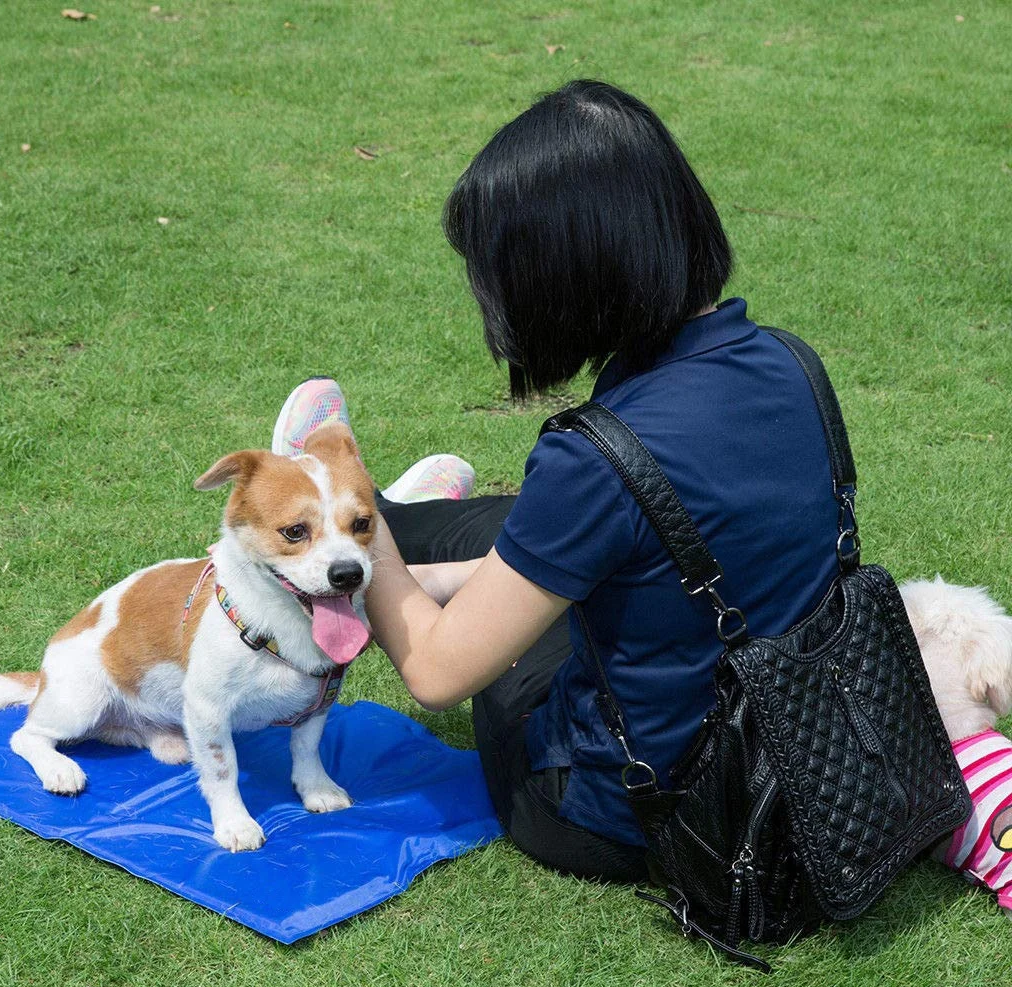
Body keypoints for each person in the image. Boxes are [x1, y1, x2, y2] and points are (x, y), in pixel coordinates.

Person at [271, 80, 841, 883]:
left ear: (559, 275)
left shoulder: (595, 460)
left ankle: (353, 508)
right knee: (518, 527)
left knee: (518, 575)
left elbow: (435, 675)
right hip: (786, 764)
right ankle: (395, 515)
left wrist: (365, 542)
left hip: (617, 812)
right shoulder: (791, 363)